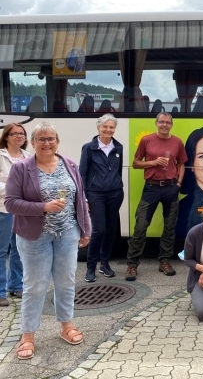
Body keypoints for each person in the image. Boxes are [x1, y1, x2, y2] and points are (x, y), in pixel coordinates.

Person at [5, 121, 91, 360]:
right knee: (35, 285)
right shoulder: (21, 168)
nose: (46, 143)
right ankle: (28, 335)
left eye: (50, 138)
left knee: (66, 282)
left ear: (57, 141)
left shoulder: (70, 165)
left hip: (67, 234)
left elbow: (81, 200)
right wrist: (44, 207)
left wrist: (86, 230)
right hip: (35, 237)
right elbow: (10, 202)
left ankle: (66, 325)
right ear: (32, 143)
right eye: (41, 139)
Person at [125, 112, 187, 281]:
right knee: (141, 226)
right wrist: (153, 163)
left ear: (171, 124)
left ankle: (165, 261)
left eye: (167, 122)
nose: (164, 125)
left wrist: (179, 183)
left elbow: (182, 164)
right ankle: (132, 265)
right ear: (156, 123)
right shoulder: (147, 140)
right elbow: (136, 163)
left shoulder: (177, 142)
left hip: (170, 188)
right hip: (151, 188)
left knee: (169, 227)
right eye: (161, 122)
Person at [0, 124, 31, 307]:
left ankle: (16, 285)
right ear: (6, 136)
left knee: (19, 249)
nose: (19, 136)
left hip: (22, 210)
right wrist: (11, 190)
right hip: (1, 210)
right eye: (15, 134)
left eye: (22, 134)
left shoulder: (28, 157)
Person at [79, 114, 124, 282]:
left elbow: (118, 171)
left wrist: (118, 184)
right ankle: (90, 268)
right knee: (98, 230)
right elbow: (82, 174)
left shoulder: (118, 147)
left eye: (111, 127)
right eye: (105, 127)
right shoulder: (88, 148)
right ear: (98, 128)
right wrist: (84, 198)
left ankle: (104, 264)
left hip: (115, 193)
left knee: (111, 230)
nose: (108, 130)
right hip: (95, 194)